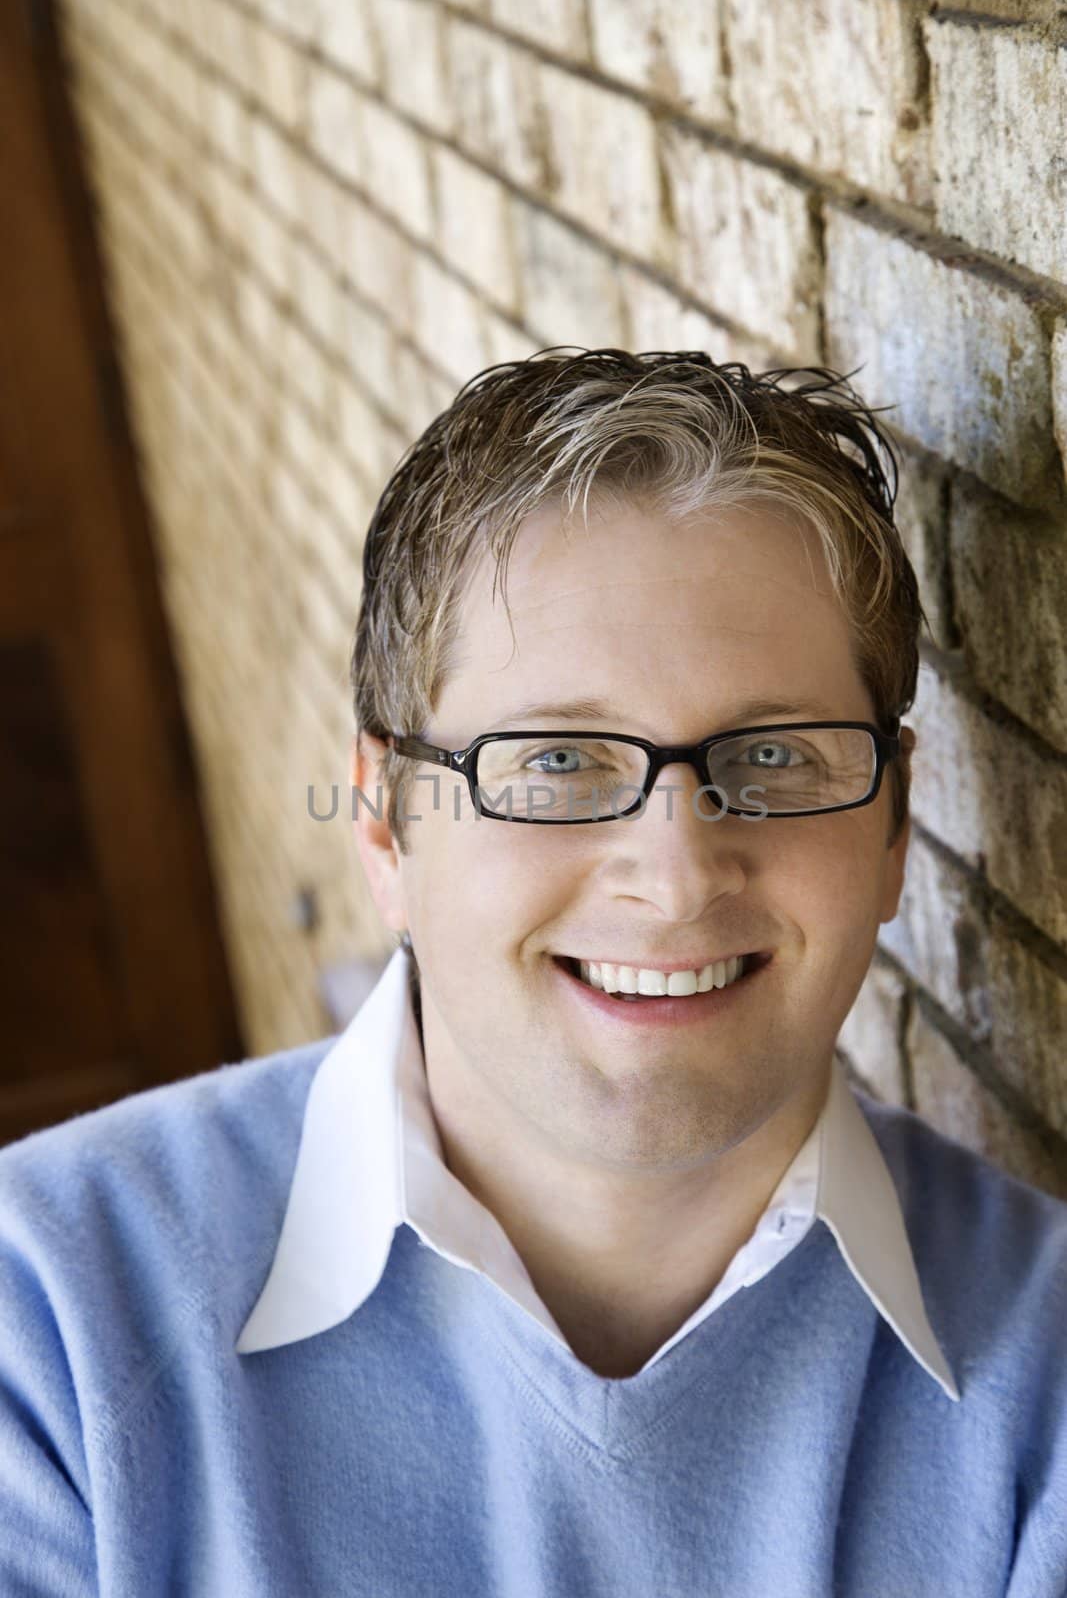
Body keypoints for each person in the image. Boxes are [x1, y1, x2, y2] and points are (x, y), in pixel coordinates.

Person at [1, 349, 1064, 1597]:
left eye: (773, 753)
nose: (672, 878)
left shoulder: (1043, 1379)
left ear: (893, 832)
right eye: (555, 760)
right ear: (386, 827)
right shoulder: (48, 1329)